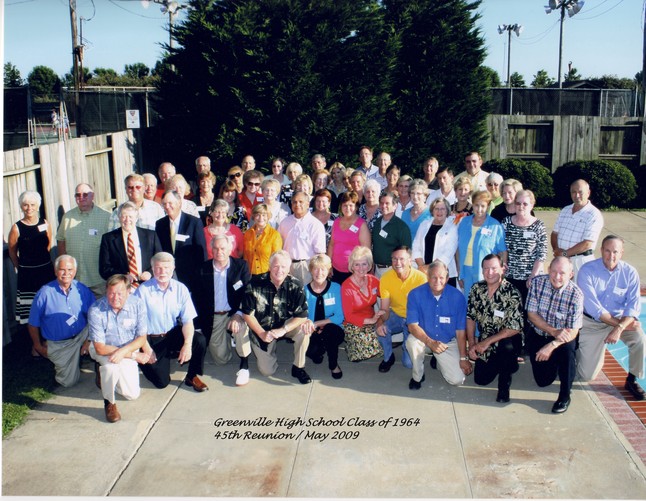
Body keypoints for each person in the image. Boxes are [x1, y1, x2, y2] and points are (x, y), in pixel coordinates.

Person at [576, 235, 645, 400]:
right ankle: (579, 351)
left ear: (621, 253)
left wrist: (620, 327)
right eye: (607, 251)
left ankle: (632, 379)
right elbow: (595, 309)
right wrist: (619, 326)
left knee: (639, 338)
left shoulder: (630, 273)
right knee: (586, 376)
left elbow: (634, 306)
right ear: (601, 250)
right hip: (592, 323)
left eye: (615, 251)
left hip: (619, 321)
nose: (611, 256)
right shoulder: (587, 271)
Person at [134, 252, 208, 392]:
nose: (162, 272)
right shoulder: (142, 291)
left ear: (173, 268)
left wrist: (187, 344)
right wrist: (147, 349)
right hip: (150, 338)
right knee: (161, 383)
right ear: (152, 269)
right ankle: (142, 362)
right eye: (158, 268)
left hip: (171, 333)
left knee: (199, 341)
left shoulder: (181, 289)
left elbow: (187, 321)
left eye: (167, 268)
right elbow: (137, 326)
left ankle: (192, 376)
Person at [241, 250, 314, 384]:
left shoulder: (296, 285)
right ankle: (269, 350)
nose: (279, 270)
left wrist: (284, 330)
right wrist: (262, 333)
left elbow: (302, 315)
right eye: (275, 266)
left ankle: (298, 367)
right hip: (262, 327)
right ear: (269, 267)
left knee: (304, 330)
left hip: (285, 323)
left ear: (289, 269)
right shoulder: (254, 283)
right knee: (267, 371)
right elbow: (247, 314)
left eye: (283, 267)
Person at [526, 257, 584, 413]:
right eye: (554, 271)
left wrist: (552, 345)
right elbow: (531, 314)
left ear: (571, 274)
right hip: (540, 333)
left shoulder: (576, 295)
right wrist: (552, 331)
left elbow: (573, 331)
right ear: (548, 269)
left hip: (562, 339)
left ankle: (565, 395)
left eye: (562, 273)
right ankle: (554, 363)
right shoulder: (537, 283)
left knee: (567, 353)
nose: (557, 277)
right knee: (542, 381)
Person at [27, 255, 95, 387]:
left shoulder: (82, 289)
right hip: (61, 344)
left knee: (101, 342)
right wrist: (38, 346)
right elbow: (32, 323)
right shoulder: (44, 293)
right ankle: (65, 355)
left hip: (82, 334)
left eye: (70, 270)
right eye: (62, 270)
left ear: (75, 271)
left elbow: (95, 316)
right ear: (55, 271)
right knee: (68, 382)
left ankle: (97, 368)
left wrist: (89, 340)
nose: (66, 274)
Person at [88, 274, 148, 423]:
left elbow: (142, 338)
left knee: (132, 394)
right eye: (111, 293)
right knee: (110, 368)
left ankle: (105, 377)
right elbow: (100, 348)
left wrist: (123, 352)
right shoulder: (96, 310)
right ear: (106, 292)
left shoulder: (138, 304)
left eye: (120, 293)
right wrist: (134, 356)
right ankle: (109, 403)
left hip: (126, 349)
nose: (115, 297)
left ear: (128, 291)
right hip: (103, 348)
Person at [195, 235, 252, 386]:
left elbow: (248, 293)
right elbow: (198, 299)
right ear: (211, 249)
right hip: (215, 316)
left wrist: (239, 314)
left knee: (239, 329)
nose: (219, 251)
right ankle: (228, 339)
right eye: (216, 248)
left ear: (230, 249)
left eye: (223, 248)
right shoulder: (202, 269)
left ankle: (244, 363)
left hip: (235, 312)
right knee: (220, 359)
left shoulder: (241, 266)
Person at [466, 254, 523, 403]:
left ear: (502, 269)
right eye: (486, 269)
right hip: (485, 341)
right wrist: (472, 344)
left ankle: (504, 388)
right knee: (480, 380)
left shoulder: (512, 292)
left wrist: (485, 343)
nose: (489, 272)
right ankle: (508, 364)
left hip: (507, 339)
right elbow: (470, 317)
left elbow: (514, 327)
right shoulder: (476, 289)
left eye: (494, 268)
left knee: (507, 347)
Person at [406, 260, 471, 390]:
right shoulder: (415, 294)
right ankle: (417, 377)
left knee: (458, 380)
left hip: (447, 342)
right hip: (424, 338)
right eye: (433, 277)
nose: (437, 281)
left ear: (447, 278)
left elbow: (460, 331)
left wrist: (463, 357)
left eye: (441, 277)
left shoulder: (458, 297)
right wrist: (430, 342)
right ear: (428, 277)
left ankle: (439, 361)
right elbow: (412, 326)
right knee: (412, 343)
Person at [502, 190, 547, 355]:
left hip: (530, 278)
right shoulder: (506, 222)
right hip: (510, 277)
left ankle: (526, 347)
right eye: (518, 203)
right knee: (512, 313)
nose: (521, 207)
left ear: (532, 205)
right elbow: (501, 248)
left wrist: (533, 276)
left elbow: (541, 253)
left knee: (529, 314)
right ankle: (512, 346)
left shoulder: (538, 225)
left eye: (525, 203)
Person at [8, 191, 55, 335]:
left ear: (38, 206)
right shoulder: (17, 228)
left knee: (48, 306)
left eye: (32, 205)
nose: (29, 208)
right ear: (21, 207)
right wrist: (22, 268)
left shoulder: (45, 224)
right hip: (27, 275)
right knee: (31, 311)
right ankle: (36, 345)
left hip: (46, 272)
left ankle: (49, 338)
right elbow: (12, 251)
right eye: (25, 205)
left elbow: (47, 246)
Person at [376, 246, 427, 372]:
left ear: (410, 261)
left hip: (414, 320)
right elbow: (385, 308)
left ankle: (409, 347)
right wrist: (380, 323)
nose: (398, 263)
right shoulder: (386, 278)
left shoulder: (421, 278)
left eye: (402, 259)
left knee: (408, 364)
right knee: (380, 330)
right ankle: (388, 357)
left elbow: (425, 310)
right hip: (396, 314)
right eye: (394, 259)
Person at [55, 183, 111, 298]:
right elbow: (61, 241)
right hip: (75, 279)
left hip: (98, 278)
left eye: (85, 195)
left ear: (92, 196)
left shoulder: (106, 217)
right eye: (78, 195)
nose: (81, 198)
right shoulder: (67, 217)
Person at [456, 190, 507, 297]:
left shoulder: (495, 226)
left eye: (483, 206)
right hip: (466, 272)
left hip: (487, 273)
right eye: (476, 206)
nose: (479, 210)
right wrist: (459, 273)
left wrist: (501, 275)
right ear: (472, 205)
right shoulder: (464, 222)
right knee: (468, 304)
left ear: (488, 206)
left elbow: (502, 252)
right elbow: (457, 250)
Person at [99, 202, 162, 287]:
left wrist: (150, 273)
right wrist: (122, 277)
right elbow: (104, 269)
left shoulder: (150, 236)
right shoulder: (108, 239)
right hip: (123, 288)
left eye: (131, 217)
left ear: (136, 218)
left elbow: (160, 260)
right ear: (119, 218)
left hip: (148, 286)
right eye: (124, 216)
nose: (127, 220)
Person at [155, 189, 207, 293]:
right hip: (167, 275)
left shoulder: (194, 222)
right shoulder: (160, 224)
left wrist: (200, 275)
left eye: (170, 203)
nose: (167, 206)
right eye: (164, 204)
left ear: (179, 203)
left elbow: (201, 252)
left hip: (189, 275)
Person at [551, 179, 604, 280]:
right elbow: (554, 233)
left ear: (588, 193)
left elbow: (587, 243)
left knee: (581, 293)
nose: (577, 195)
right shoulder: (565, 210)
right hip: (562, 260)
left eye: (580, 192)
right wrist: (557, 251)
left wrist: (565, 253)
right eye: (573, 192)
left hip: (580, 262)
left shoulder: (594, 215)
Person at [303, 254, 345, 379]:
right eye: (316, 268)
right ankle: (319, 352)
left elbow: (339, 317)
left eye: (323, 269)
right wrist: (312, 326)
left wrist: (316, 323)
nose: (319, 272)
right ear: (310, 270)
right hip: (312, 331)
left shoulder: (336, 288)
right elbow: (302, 316)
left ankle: (333, 365)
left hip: (333, 329)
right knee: (312, 352)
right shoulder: (304, 290)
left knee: (330, 331)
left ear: (329, 270)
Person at [341, 246, 384, 362]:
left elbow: (386, 295)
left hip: (371, 317)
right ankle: (352, 346)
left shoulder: (373, 280)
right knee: (364, 351)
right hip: (353, 323)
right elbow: (349, 316)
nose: (361, 268)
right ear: (352, 266)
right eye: (357, 264)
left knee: (381, 338)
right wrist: (371, 321)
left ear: (369, 265)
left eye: (364, 264)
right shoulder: (346, 286)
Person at [278, 191, 326, 285]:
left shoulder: (315, 225)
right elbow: (279, 245)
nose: (297, 204)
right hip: (287, 266)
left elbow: (320, 252)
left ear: (308, 204)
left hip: (306, 267)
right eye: (294, 202)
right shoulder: (285, 222)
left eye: (301, 202)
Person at [412, 197, 459, 286]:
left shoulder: (452, 228)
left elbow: (448, 253)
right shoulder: (424, 224)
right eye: (436, 209)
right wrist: (422, 267)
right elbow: (416, 245)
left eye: (442, 209)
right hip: (424, 274)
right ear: (432, 211)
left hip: (444, 275)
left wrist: (428, 268)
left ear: (447, 211)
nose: (439, 212)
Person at [328, 190, 371, 284]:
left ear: (356, 207)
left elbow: (366, 251)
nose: (347, 208)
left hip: (354, 272)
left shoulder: (361, 225)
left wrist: (360, 270)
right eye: (345, 205)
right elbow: (331, 244)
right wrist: (329, 265)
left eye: (351, 205)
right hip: (335, 270)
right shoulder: (336, 222)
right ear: (341, 207)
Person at [371, 192, 412, 278]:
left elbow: (406, 252)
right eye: (381, 203)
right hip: (377, 270)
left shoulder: (401, 227)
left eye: (387, 203)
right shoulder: (377, 222)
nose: (383, 206)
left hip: (393, 271)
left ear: (395, 206)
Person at [243, 204, 283, 275]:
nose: (261, 218)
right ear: (254, 217)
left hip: (267, 276)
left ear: (268, 217)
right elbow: (245, 257)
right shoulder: (247, 234)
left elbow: (277, 258)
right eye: (258, 215)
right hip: (250, 276)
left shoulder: (275, 235)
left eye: (264, 215)